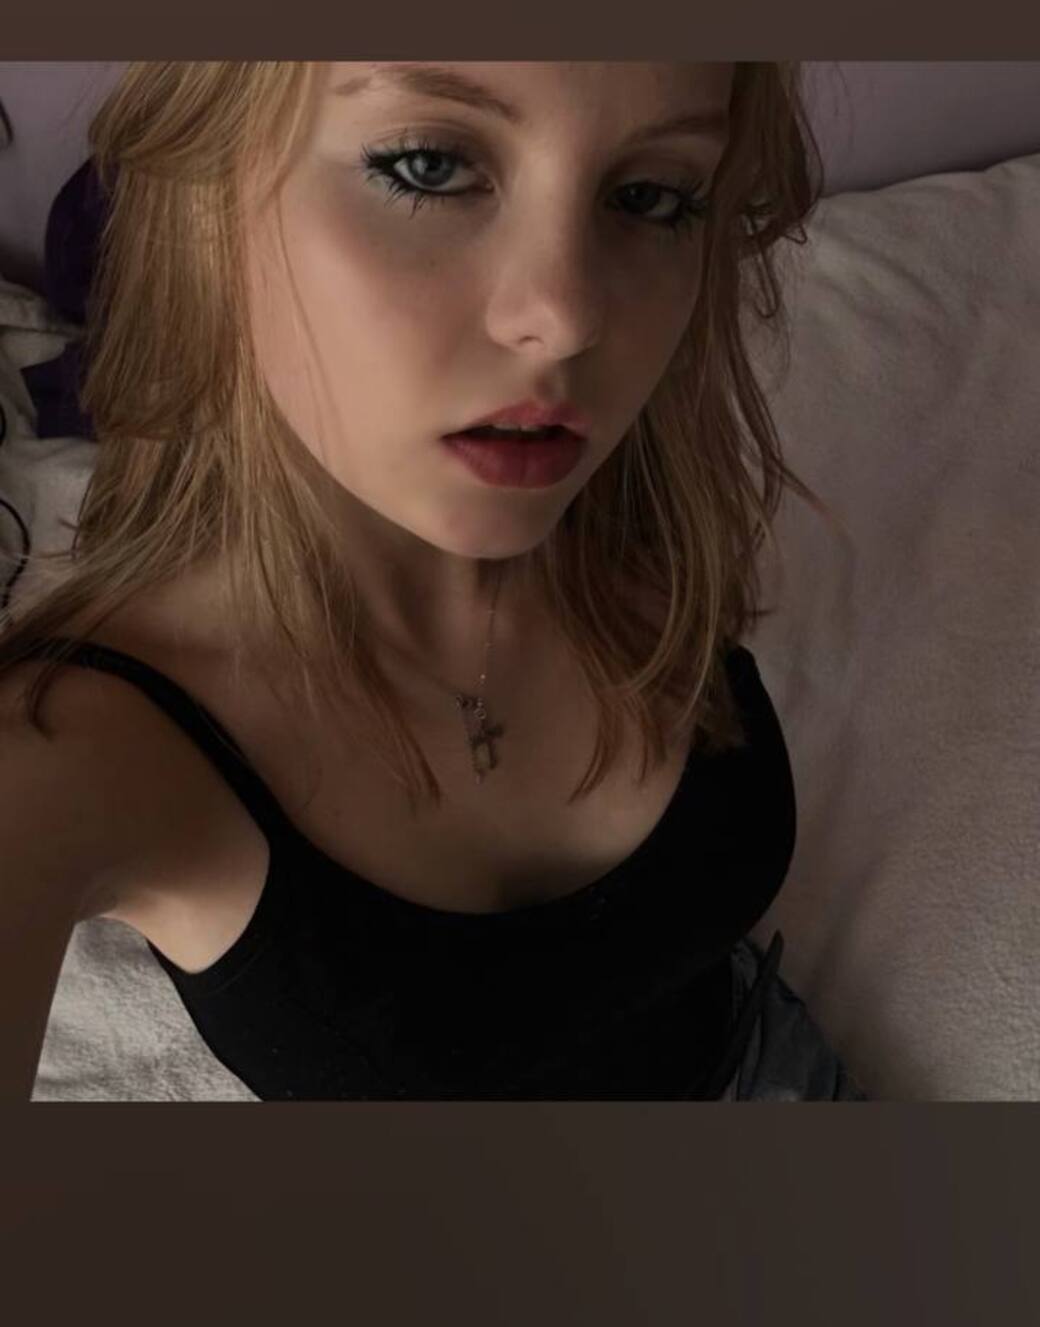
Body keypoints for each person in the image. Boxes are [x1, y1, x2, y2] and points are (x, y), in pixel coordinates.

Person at [0, 60, 867, 1102]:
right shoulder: (72, 749)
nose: (568, 316)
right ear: (207, 194)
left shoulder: (640, 508)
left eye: (651, 196)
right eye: (427, 166)